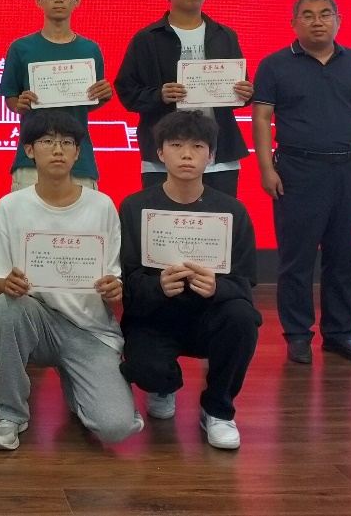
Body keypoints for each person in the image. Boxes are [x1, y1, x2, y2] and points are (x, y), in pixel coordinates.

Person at [0, 110, 141, 451]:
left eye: (67, 142)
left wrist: (115, 288)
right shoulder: (10, 206)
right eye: (47, 141)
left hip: (89, 329)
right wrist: (6, 284)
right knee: (4, 308)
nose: (57, 149)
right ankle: (10, 413)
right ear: (29, 150)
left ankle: (76, 384)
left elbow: (113, 278)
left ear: (77, 153)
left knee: (116, 427)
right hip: (34, 321)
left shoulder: (102, 206)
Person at [252, 0, 351, 365]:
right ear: (294, 24)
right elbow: (262, 118)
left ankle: (340, 334)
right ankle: (297, 335)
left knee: (343, 258)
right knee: (297, 259)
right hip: (297, 170)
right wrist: (266, 168)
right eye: (307, 15)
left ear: (338, 20)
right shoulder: (275, 64)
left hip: (349, 169)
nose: (317, 21)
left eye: (325, 14)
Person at [118, 110, 261, 450]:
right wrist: (157, 286)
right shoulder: (135, 207)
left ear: (211, 156)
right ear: (159, 152)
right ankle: (163, 384)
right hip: (154, 316)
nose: (186, 155)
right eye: (176, 145)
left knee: (242, 317)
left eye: (197, 147)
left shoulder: (232, 211)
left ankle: (218, 409)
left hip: (208, 315)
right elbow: (125, 280)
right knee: (145, 365)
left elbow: (245, 282)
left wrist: (217, 287)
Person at [113, 0, 253, 196]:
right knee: (163, 215)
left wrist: (245, 92)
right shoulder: (148, 38)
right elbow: (126, 90)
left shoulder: (224, 35)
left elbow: (241, 88)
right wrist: (159, 95)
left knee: (220, 216)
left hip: (218, 153)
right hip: (163, 153)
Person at [0, 0, 111, 191]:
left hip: (79, 159)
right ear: (38, 0)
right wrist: (19, 104)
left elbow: (87, 102)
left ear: (77, 0)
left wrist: (103, 96)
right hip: (31, 158)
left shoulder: (90, 49)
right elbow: (11, 97)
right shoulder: (21, 48)